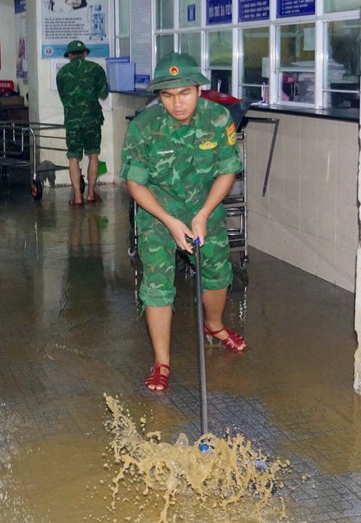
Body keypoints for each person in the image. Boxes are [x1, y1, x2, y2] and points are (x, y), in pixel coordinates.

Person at [120, 52, 246, 392]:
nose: (177, 104)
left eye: (185, 93)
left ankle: (215, 326)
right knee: (157, 285)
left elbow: (227, 170)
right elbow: (135, 183)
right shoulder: (143, 126)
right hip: (157, 214)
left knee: (217, 273)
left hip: (205, 209)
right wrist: (169, 220)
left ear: (199, 88)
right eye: (168, 95)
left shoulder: (218, 119)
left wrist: (203, 213)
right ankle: (162, 361)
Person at [56, 40, 108, 206]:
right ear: (85, 53)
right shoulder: (96, 69)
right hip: (92, 119)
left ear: (69, 55)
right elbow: (104, 93)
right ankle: (91, 194)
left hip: (72, 121)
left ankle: (78, 197)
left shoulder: (62, 73)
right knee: (93, 155)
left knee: (73, 157)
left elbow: (64, 97)